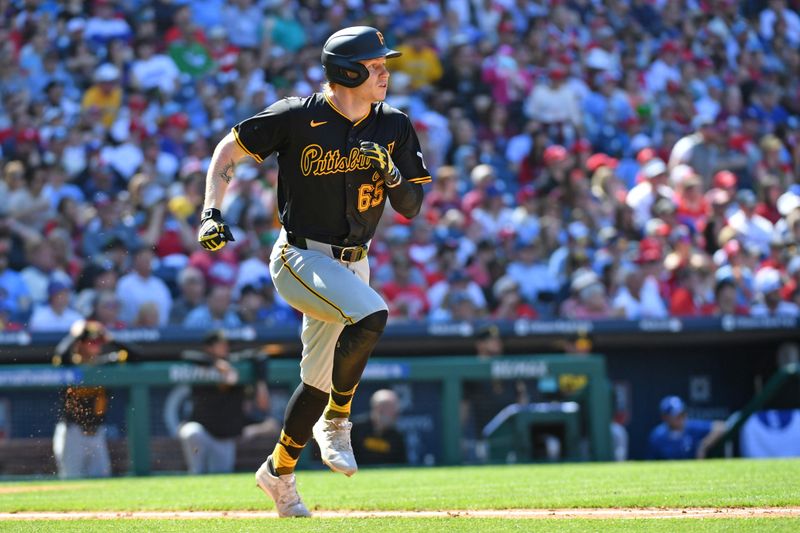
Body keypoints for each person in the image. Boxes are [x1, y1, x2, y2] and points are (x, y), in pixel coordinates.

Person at [197, 26, 429, 517]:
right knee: (371, 317)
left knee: (316, 382)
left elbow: (412, 205)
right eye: (375, 65)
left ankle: (278, 474)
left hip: (354, 261)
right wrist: (211, 210)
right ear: (347, 72)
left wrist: (390, 173)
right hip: (300, 257)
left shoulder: (394, 125)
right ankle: (338, 421)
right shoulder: (296, 115)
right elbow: (228, 150)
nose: (385, 71)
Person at [178, 330, 271, 475]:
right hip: (202, 431)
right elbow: (185, 355)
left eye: (226, 344)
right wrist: (214, 363)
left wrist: (260, 383)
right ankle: (195, 473)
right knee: (190, 432)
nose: (225, 347)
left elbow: (260, 356)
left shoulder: (235, 361)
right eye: (220, 345)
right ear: (209, 348)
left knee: (221, 475)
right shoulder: (201, 363)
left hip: (224, 437)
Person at [51, 319, 135, 479]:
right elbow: (60, 355)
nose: (94, 345)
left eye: (97, 341)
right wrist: (75, 334)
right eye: (89, 341)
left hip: (97, 433)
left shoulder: (104, 364)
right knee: (71, 481)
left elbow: (136, 356)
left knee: (101, 482)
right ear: (80, 343)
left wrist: (110, 338)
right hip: (72, 432)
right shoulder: (69, 363)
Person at [647, 395, 727, 460]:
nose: (681, 418)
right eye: (677, 416)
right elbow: (651, 462)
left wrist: (703, 446)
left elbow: (721, 427)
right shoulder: (657, 436)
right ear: (665, 417)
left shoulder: (692, 427)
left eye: (682, 414)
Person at [350, 389, 408, 466]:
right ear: (378, 408)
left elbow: (402, 465)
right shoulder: (354, 429)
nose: (396, 412)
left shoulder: (396, 436)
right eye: (391, 407)